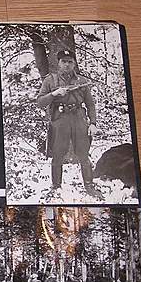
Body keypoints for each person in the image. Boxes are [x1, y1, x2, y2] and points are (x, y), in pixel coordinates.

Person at [37, 49, 101, 198]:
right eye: (64, 61)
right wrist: (54, 94)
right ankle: (56, 188)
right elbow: (40, 102)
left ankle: (89, 187)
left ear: (74, 64)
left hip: (79, 118)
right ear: (58, 63)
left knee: (83, 154)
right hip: (60, 119)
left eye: (70, 62)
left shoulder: (82, 81)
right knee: (58, 154)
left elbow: (90, 105)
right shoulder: (50, 80)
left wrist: (93, 123)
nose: (67, 65)